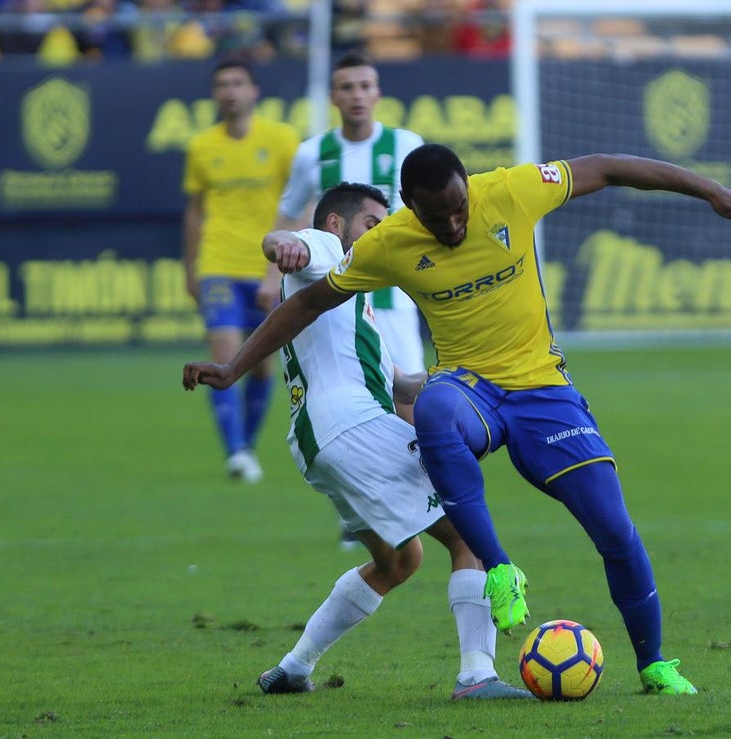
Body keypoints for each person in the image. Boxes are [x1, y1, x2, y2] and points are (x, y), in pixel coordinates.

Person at [183, 144, 731, 696]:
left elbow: (610, 167)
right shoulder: (384, 241)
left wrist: (711, 191)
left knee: (609, 529)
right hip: (469, 392)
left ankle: (655, 663)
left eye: (460, 209)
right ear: (413, 208)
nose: (455, 225)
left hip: (541, 389)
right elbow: (306, 287)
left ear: (469, 189)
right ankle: (496, 585)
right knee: (436, 406)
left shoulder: (513, 190)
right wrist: (238, 357)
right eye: (439, 217)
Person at [247, 182, 530, 700]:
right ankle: (477, 676)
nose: (382, 235)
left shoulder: (356, 312)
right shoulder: (328, 250)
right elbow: (286, 241)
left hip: (320, 442)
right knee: (467, 532)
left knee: (399, 562)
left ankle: (293, 666)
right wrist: (284, 246)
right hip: (353, 429)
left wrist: (482, 375)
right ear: (337, 224)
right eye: (373, 225)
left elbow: (402, 386)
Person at [276, 50, 428, 399]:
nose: (356, 95)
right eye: (347, 87)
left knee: (411, 398)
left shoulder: (406, 145)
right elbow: (288, 214)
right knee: (346, 395)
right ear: (333, 97)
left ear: (378, 93)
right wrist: (272, 279)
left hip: (394, 295)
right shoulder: (312, 153)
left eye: (365, 86)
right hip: (335, 297)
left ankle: (421, 454)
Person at [182, 57, 300, 482]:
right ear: (214, 94)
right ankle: (235, 451)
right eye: (222, 84)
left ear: (254, 91)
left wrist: (280, 268)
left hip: (266, 268)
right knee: (225, 356)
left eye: (237, 82)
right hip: (218, 265)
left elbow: (302, 201)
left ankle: (246, 445)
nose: (230, 90)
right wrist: (190, 267)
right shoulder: (201, 147)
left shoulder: (283, 139)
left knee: (261, 366)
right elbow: (194, 212)